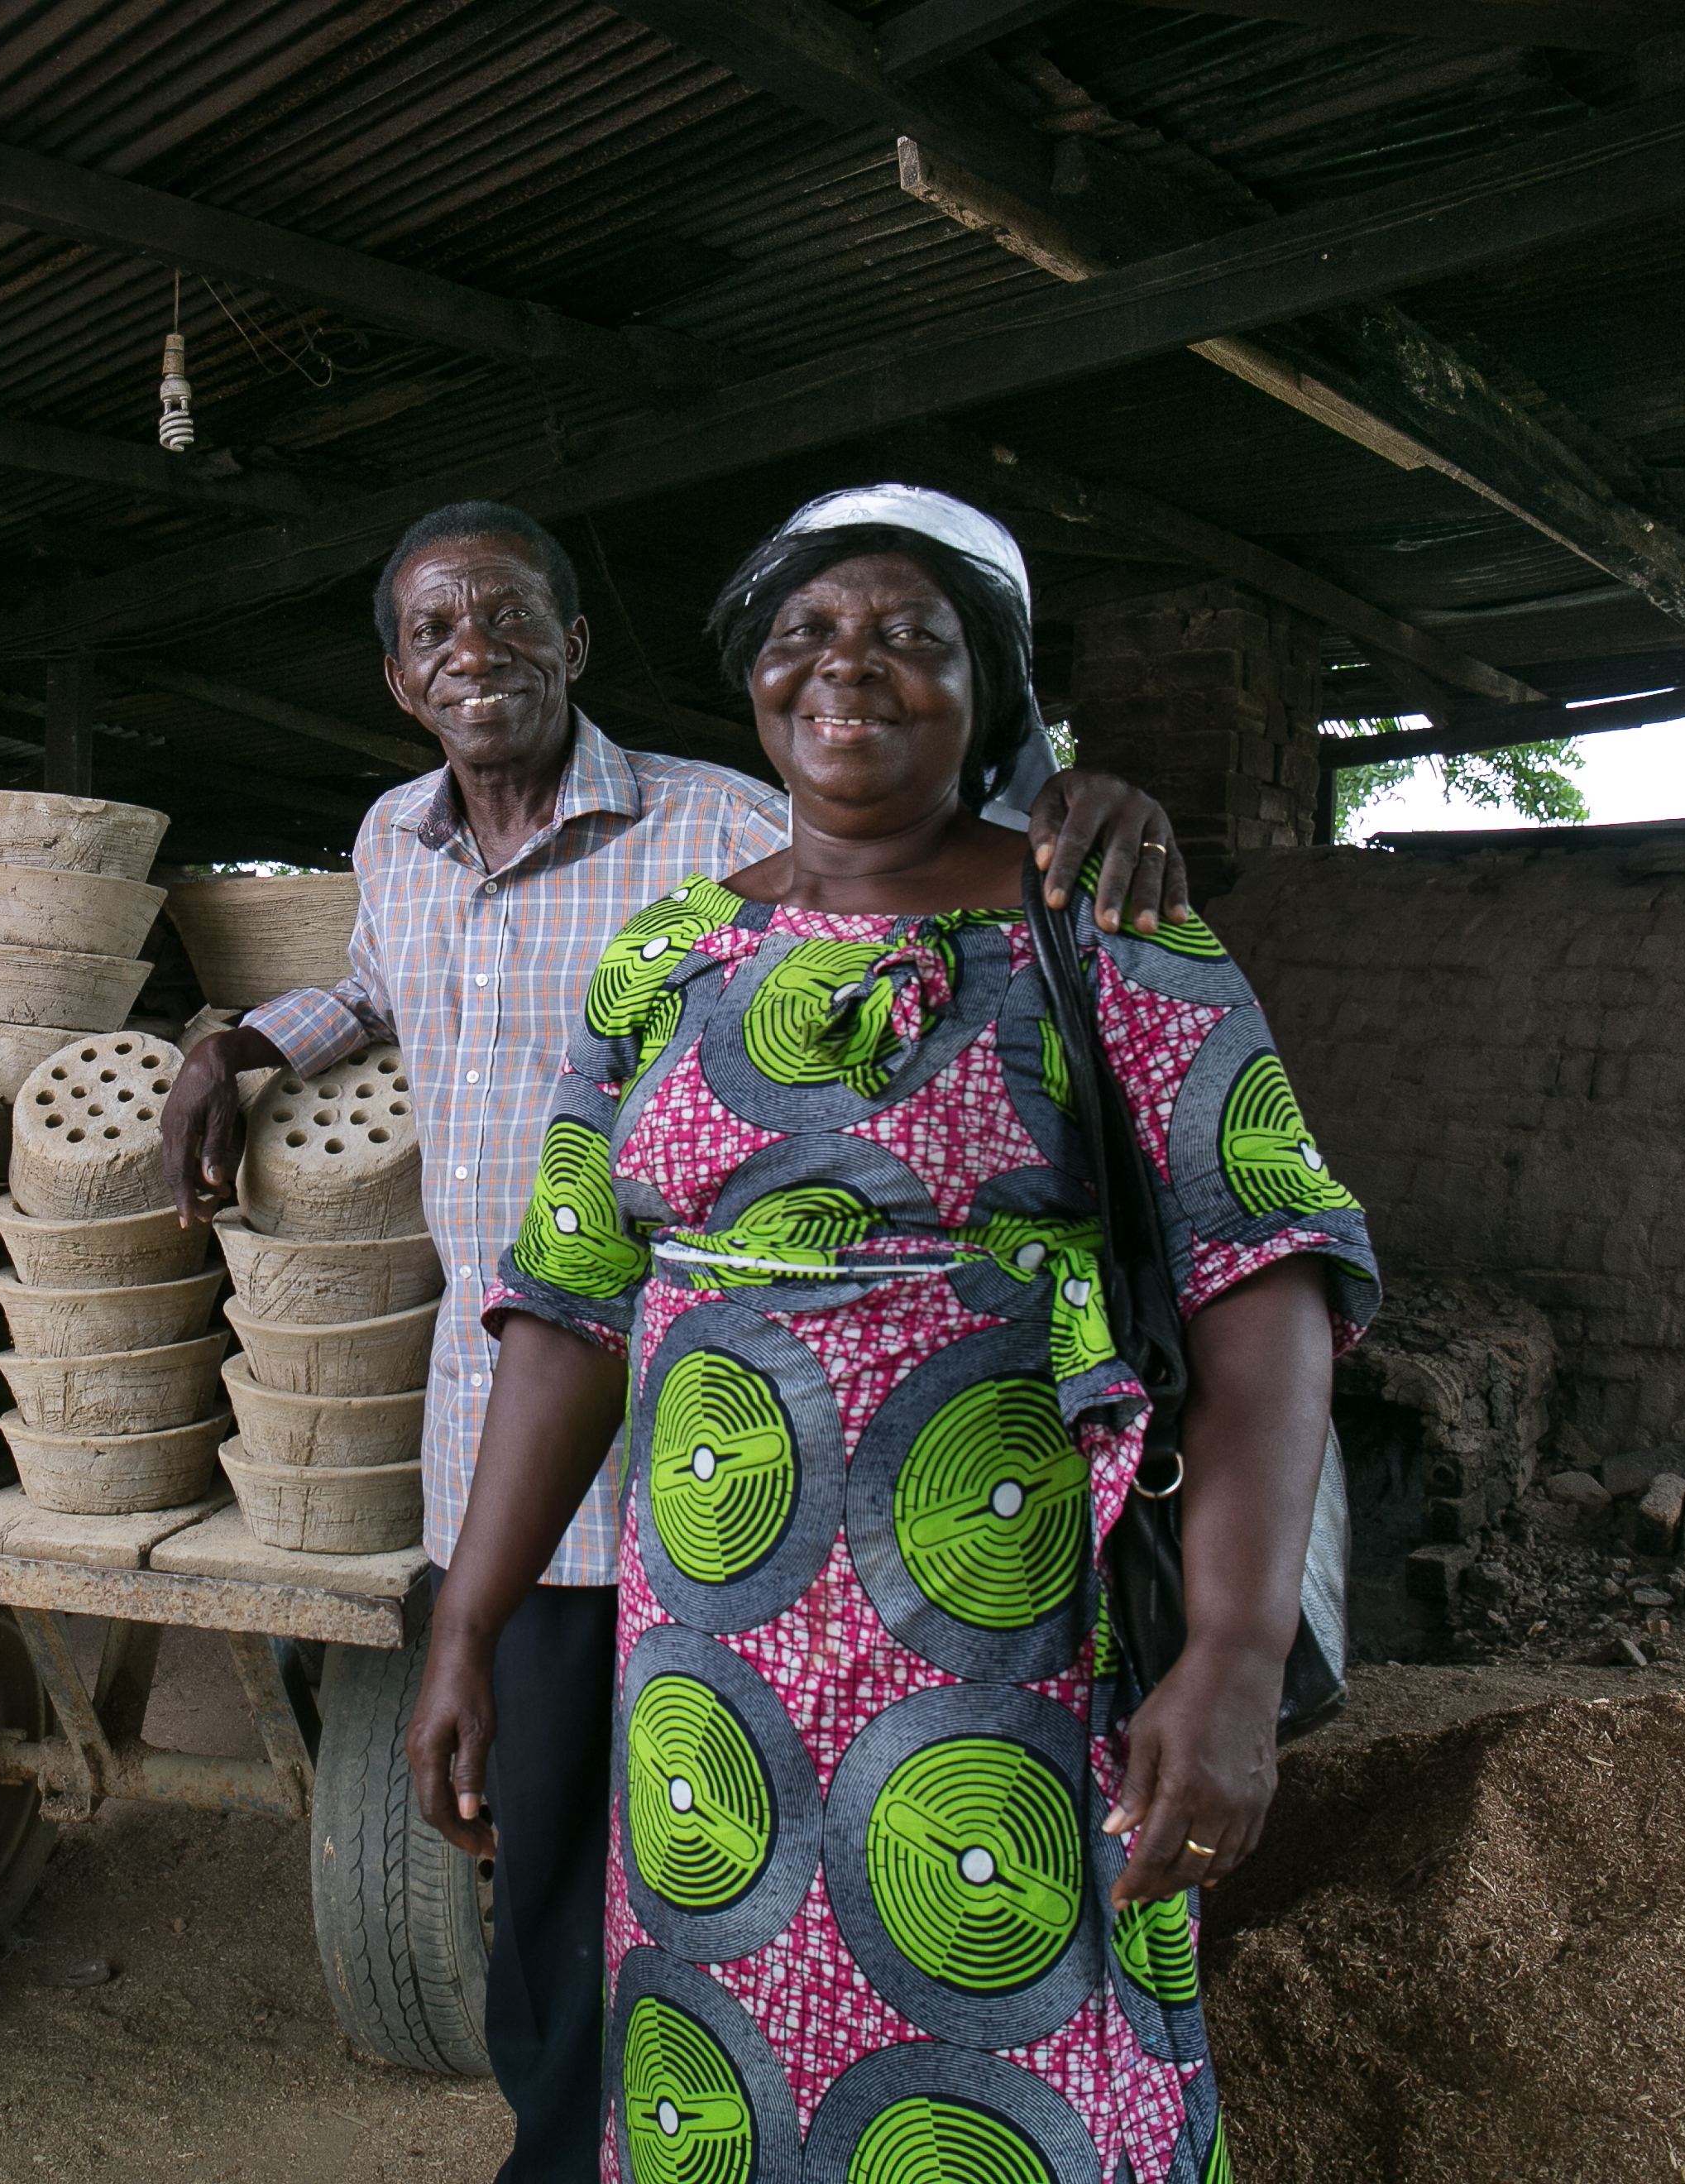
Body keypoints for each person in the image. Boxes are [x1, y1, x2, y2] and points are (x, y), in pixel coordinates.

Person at [160, 498, 1190, 2180]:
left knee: (706, 1855)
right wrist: (229, 1041)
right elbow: (371, 989)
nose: (472, 651)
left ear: (576, 643)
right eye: (433, 631)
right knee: (555, 1844)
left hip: (714, 1471)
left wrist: (1078, 799)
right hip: (498, 1427)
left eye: (506, 618)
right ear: (397, 677)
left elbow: (911, 858)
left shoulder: (716, 829)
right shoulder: (394, 842)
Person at [404, 485, 1380, 2181]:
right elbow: (565, 1306)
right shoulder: (668, 958)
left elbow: (1266, 1276)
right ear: (755, 687)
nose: (847, 668)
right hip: (707, 1671)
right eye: (805, 638)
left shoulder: (1107, 933)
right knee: (725, 2057)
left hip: (1010, 1641)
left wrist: (1231, 1653)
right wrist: (473, 1618)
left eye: (909, 639)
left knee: (1029, 2048)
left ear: (986, 698)